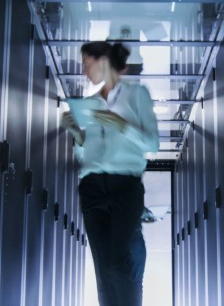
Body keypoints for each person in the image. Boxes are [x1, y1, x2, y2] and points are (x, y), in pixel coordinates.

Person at [61, 42, 159, 306]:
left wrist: (122, 126)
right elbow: (85, 155)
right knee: (103, 267)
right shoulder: (89, 104)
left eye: (86, 63)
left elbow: (152, 144)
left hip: (124, 185)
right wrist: (77, 135)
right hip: (91, 187)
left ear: (103, 60)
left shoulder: (137, 95)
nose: (84, 70)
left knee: (118, 260)